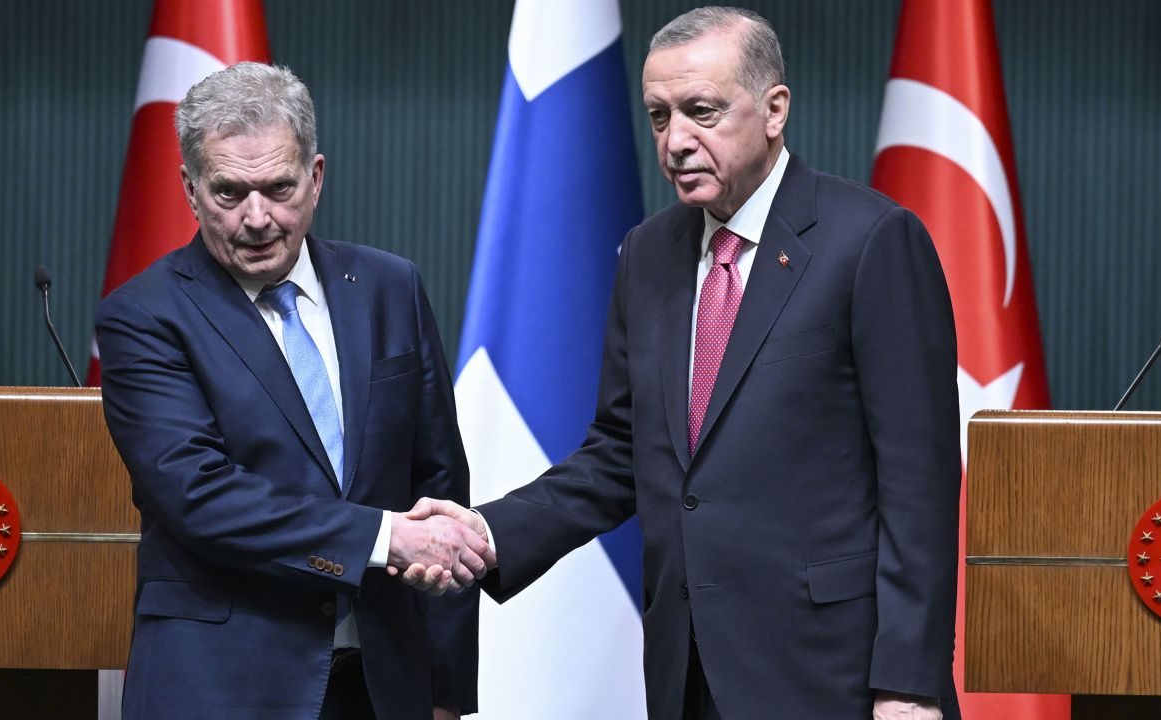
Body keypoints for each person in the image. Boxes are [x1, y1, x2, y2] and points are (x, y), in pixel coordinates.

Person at [405, 7, 961, 719]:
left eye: (701, 111)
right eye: (659, 116)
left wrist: (909, 683)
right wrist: (487, 534)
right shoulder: (649, 252)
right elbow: (619, 454)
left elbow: (919, 483)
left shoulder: (872, 241)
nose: (676, 141)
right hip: (686, 667)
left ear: (774, 109)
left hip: (833, 671)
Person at [96, 62, 491, 720]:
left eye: (278, 188)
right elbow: (200, 496)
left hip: (382, 683)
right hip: (223, 687)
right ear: (191, 190)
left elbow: (438, 483)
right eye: (229, 193)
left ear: (315, 178)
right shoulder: (143, 316)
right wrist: (383, 538)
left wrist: (445, 689)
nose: (257, 218)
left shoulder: (390, 286)